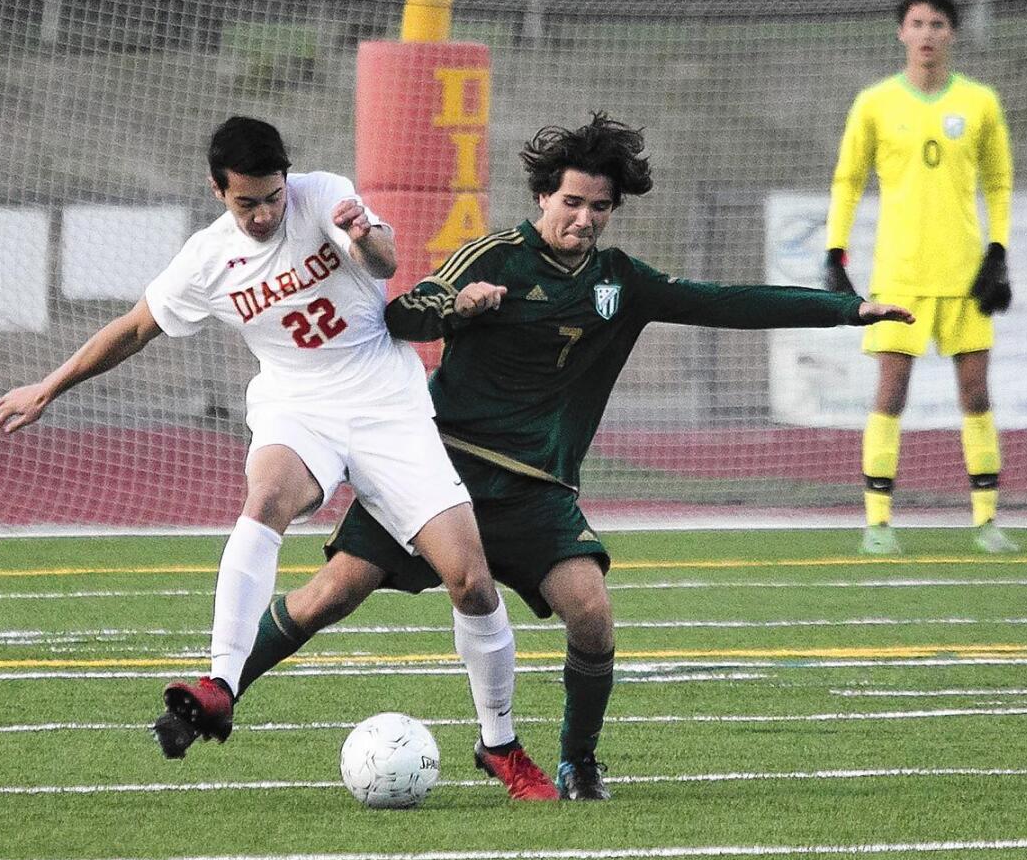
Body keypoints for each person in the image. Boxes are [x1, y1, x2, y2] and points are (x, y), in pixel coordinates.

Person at [165, 113, 914, 799]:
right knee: (330, 593)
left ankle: (577, 759)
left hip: (534, 490)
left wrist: (846, 310)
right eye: (571, 203)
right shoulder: (496, 256)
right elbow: (402, 311)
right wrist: (461, 307)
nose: (584, 219)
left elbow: (725, 302)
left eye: (599, 208)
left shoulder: (622, 283)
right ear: (543, 198)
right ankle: (219, 691)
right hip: (440, 467)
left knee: (592, 616)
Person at [0, 116, 558, 799]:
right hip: (298, 404)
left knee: (470, 580)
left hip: (385, 402)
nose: (262, 214)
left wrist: (360, 234)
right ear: (218, 191)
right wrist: (48, 387)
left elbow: (385, 263)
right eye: (245, 203)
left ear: (288, 180)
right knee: (264, 499)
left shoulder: (323, 195)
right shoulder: (207, 260)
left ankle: (500, 744)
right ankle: (221, 681)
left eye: (272, 198)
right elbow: (135, 327)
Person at [823, 0, 1018, 556]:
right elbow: (849, 180)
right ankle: (877, 523)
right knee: (890, 393)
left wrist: (998, 250)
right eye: (916, 23)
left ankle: (986, 520)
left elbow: (998, 181)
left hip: (962, 274)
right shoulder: (875, 103)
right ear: (901, 33)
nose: (927, 34)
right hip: (900, 274)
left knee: (976, 395)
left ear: (951, 33)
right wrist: (835, 252)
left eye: (937, 24)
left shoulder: (979, 102)